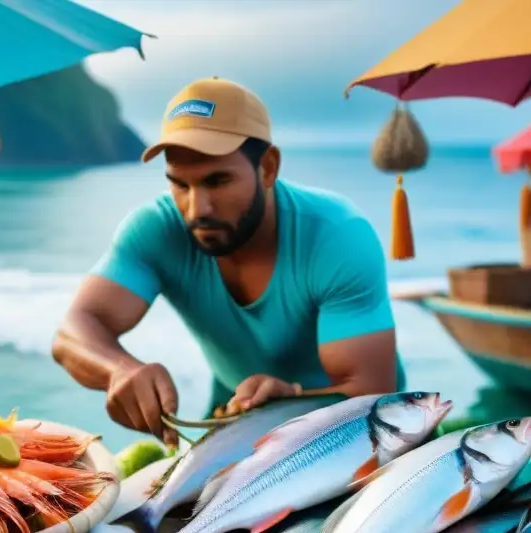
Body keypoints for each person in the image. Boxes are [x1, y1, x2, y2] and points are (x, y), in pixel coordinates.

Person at [52, 77, 405, 448]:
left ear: (267, 168)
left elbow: (370, 397)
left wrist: (292, 395)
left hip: (348, 434)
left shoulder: (337, 237)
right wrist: (118, 370)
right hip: (230, 420)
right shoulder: (156, 229)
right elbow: (72, 332)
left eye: (217, 181)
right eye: (180, 184)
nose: (196, 208)